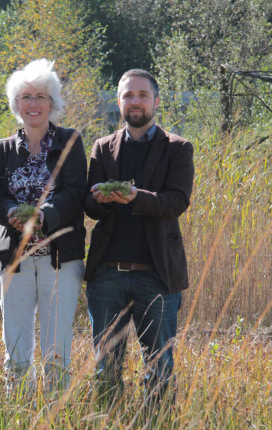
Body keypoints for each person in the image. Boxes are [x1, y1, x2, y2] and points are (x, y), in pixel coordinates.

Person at [84, 69, 194, 411]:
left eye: (142, 95)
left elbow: (177, 202)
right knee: (106, 365)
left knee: (159, 365)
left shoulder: (178, 148)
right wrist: (100, 199)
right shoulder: (103, 148)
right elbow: (88, 207)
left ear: (156, 101)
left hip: (156, 275)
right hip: (106, 275)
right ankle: (108, 427)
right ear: (119, 101)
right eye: (128, 95)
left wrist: (134, 197)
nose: (135, 102)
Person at [0, 59, 87, 394]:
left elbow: (76, 192)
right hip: (14, 259)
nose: (33, 104)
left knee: (56, 348)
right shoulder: (3, 149)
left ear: (53, 103)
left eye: (41, 97)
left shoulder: (70, 141)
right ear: (16, 104)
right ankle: (16, 415)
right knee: (15, 349)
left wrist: (44, 214)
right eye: (26, 97)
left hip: (60, 258)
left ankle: (55, 420)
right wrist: (12, 212)